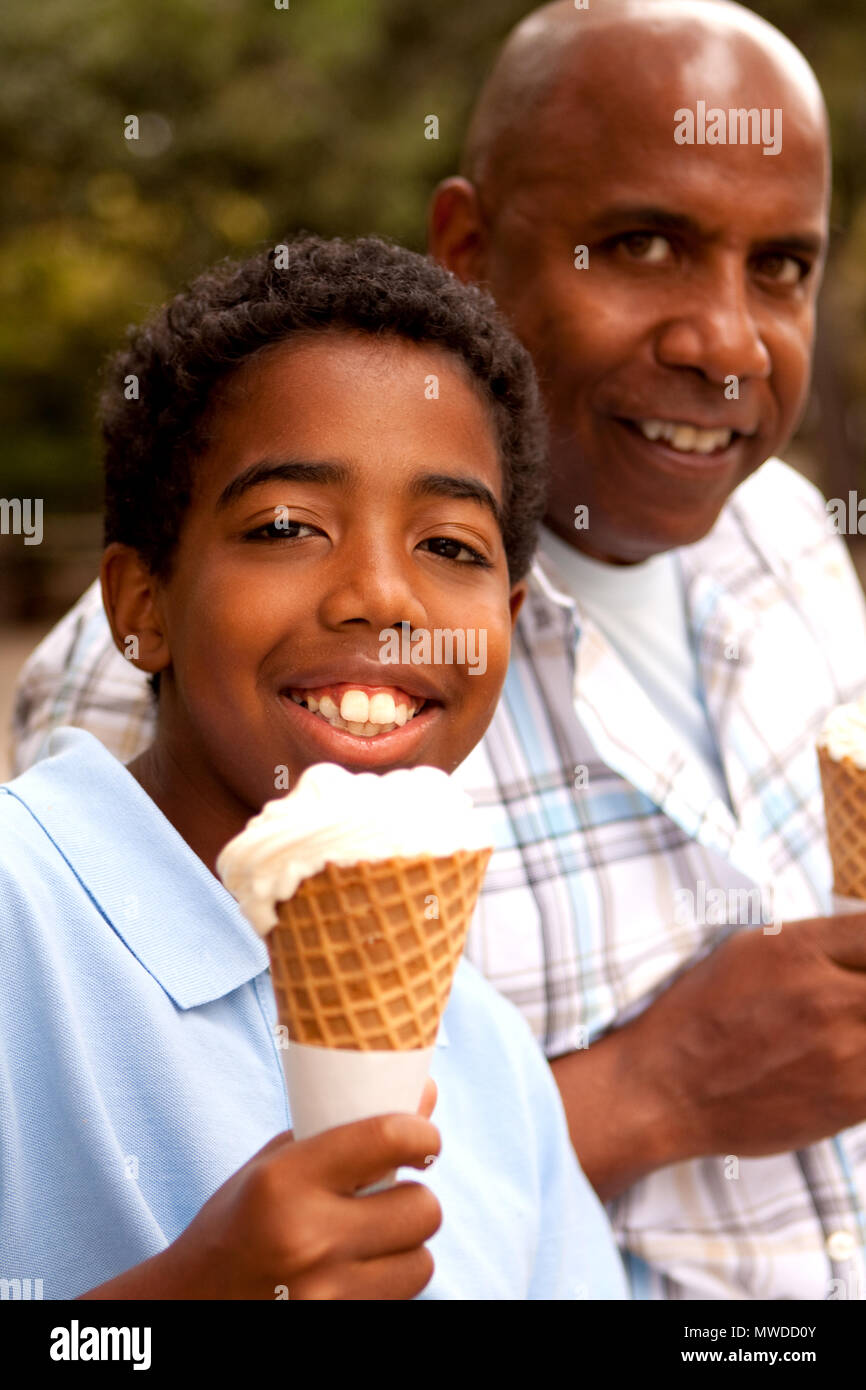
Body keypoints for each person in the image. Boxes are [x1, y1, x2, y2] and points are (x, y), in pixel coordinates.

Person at [11, 0, 866, 1300]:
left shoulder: (790, 539)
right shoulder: (74, 841)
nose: (726, 341)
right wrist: (657, 1087)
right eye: (640, 243)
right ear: (146, 611)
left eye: (783, 267)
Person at [0, 235, 627, 1301]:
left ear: (508, 626)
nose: (381, 594)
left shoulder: (484, 1051)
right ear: (139, 603)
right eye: (286, 526)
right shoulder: (24, 911)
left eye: (450, 546)